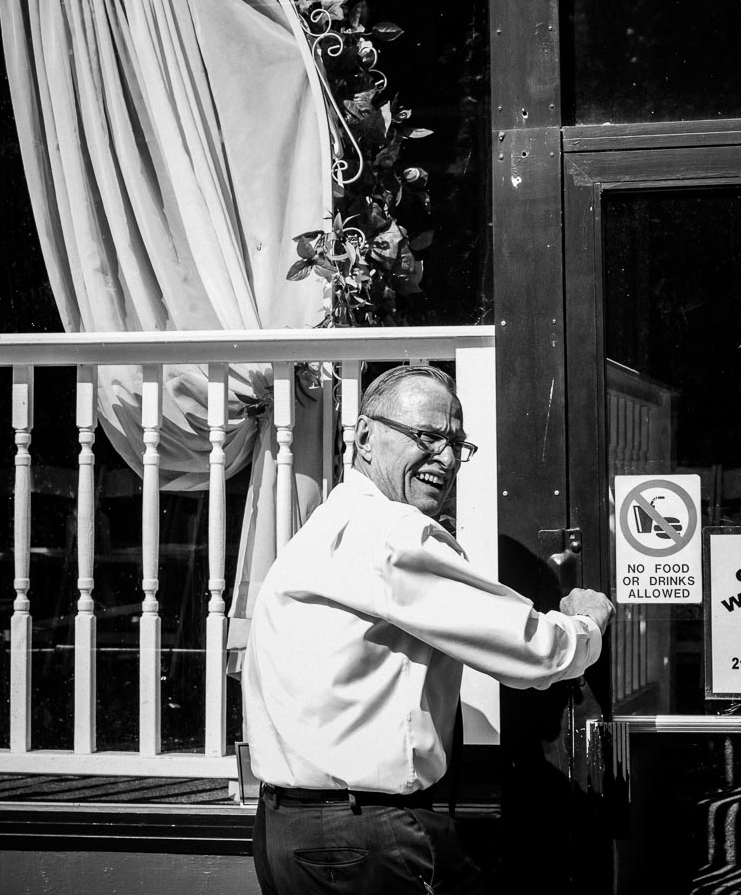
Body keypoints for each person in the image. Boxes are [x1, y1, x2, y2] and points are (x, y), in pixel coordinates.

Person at [244, 364, 615, 895]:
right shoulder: (392, 533)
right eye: (427, 435)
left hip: (288, 830)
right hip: (364, 839)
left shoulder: (327, 526)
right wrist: (586, 621)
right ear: (366, 437)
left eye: (456, 444)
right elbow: (533, 650)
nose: (444, 456)